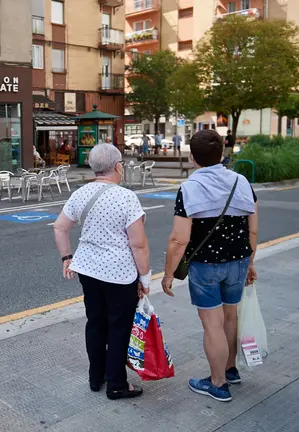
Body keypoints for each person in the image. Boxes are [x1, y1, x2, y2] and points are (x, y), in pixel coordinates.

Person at [161, 129, 258, 403]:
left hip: (206, 266)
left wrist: (168, 274)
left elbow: (179, 239)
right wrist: (250, 262)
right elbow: (252, 229)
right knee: (230, 317)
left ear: (192, 157)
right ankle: (230, 369)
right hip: (238, 261)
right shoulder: (241, 182)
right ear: (222, 154)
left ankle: (217, 384)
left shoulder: (189, 188)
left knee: (212, 325)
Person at [53, 143, 151, 401]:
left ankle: (96, 377)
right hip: (120, 274)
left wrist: (67, 257)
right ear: (118, 167)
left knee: (95, 323)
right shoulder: (126, 197)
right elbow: (138, 244)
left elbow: (60, 227)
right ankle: (117, 384)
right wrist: (145, 278)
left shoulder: (80, 194)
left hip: (87, 269)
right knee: (119, 327)